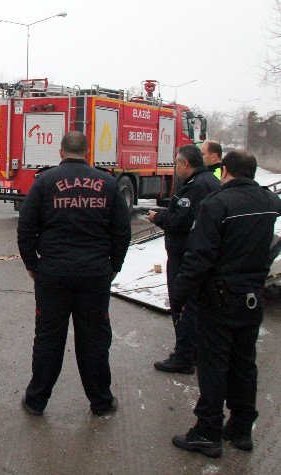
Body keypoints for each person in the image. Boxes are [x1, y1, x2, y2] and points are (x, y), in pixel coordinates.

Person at [170, 150, 281, 458]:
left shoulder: (216, 205)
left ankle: (208, 431)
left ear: (227, 171)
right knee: (244, 363)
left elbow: (198, 258)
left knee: (213, 365)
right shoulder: (270, 203)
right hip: (252, 297)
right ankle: (242, 428)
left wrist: (179, 296)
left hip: (220, 299)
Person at [17, 131, 131, 416]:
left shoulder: (44, 182)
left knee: (48, 338)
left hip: (53, 273)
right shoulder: (107, 182)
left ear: (60, 151)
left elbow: (26, 229)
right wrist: (113, 266)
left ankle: (36, 401)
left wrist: (33, 264)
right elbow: (121, 231)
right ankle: (101, 402)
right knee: (94, 338)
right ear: (88, 151)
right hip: (94, 274)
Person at [146, 145, 220, 374]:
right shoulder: (209, 181)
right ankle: (194, 351)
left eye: (177, 163)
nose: (175, 167)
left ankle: (184, 356)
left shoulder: (196, 186)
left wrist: (158, 217)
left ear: (185, 164)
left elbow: (181, 221)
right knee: (196, 306)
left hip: (186, 256)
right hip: (200, 254)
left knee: (184, 304)